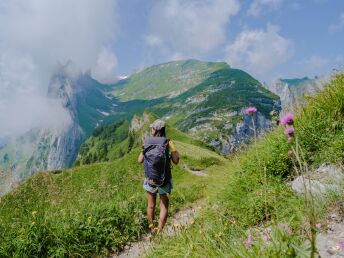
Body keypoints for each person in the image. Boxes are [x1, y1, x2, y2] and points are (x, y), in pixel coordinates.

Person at [138, 119, 180, 233]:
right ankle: (160, 231)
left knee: (150, 205)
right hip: (164, 179)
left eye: (152, 128)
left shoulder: (146, 142)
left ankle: (151, 229)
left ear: (155, 129)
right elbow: (176, 161)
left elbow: (139, 160)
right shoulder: (168, 142)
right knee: (164, 206)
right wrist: (173, 151)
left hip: (150, 179)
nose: (151, 129)